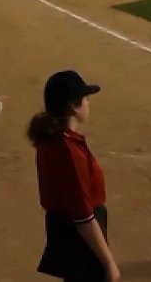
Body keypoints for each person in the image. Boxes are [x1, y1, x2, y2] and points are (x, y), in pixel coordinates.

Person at [27, 70, 120, 282]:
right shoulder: (68, 151)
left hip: (67, 237)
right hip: (81, 245)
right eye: (85, 98)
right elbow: (82, 216)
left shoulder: (51, 141)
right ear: (73, 106)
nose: (88, 102)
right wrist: (108, 262)